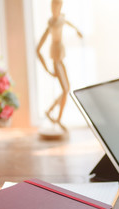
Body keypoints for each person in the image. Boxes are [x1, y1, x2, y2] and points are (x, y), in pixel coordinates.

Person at [36, 0, 83, 133]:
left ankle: (51, 112)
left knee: (67, 89)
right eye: (54, 6)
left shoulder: (61, 19)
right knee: (65, 89)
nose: (56, 9)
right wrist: (47, 70)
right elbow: (38, 49)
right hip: (56, 59)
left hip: (61, 57)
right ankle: (56, 117)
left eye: (58, 6)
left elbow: (67, 23)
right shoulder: (51, 25)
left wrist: (77, 31)